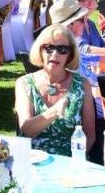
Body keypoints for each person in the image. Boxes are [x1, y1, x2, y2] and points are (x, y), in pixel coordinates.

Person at [15, 24, 95, 156]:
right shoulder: (24, 83)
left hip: (71, 160)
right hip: (34, 160)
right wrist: (55, 111)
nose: (55, 54)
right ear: (40, 50)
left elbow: (89, 136)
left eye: (62, 49)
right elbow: (27, 129)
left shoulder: (82, 84)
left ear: (70, 55)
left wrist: (76, 161)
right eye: (49, 48)